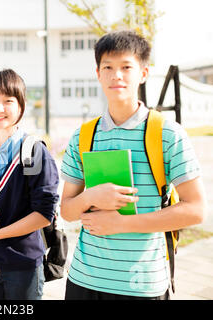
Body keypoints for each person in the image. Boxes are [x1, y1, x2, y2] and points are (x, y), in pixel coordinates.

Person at [60, 30, 207, 300]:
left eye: (126, 67)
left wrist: (121, 224)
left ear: (143, 73)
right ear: (98, 73)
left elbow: (195, 210)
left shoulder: (167, 133)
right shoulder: (83, 136)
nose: (117, 75)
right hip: (83, 281)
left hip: (142, 285)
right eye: (108, 67)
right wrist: (92, 196)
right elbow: (67, 211)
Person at [0, 69, 60, 300]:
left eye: (8, 101)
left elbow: (45, 213)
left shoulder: (34, 151)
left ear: (21, 106)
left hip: (21, 264)